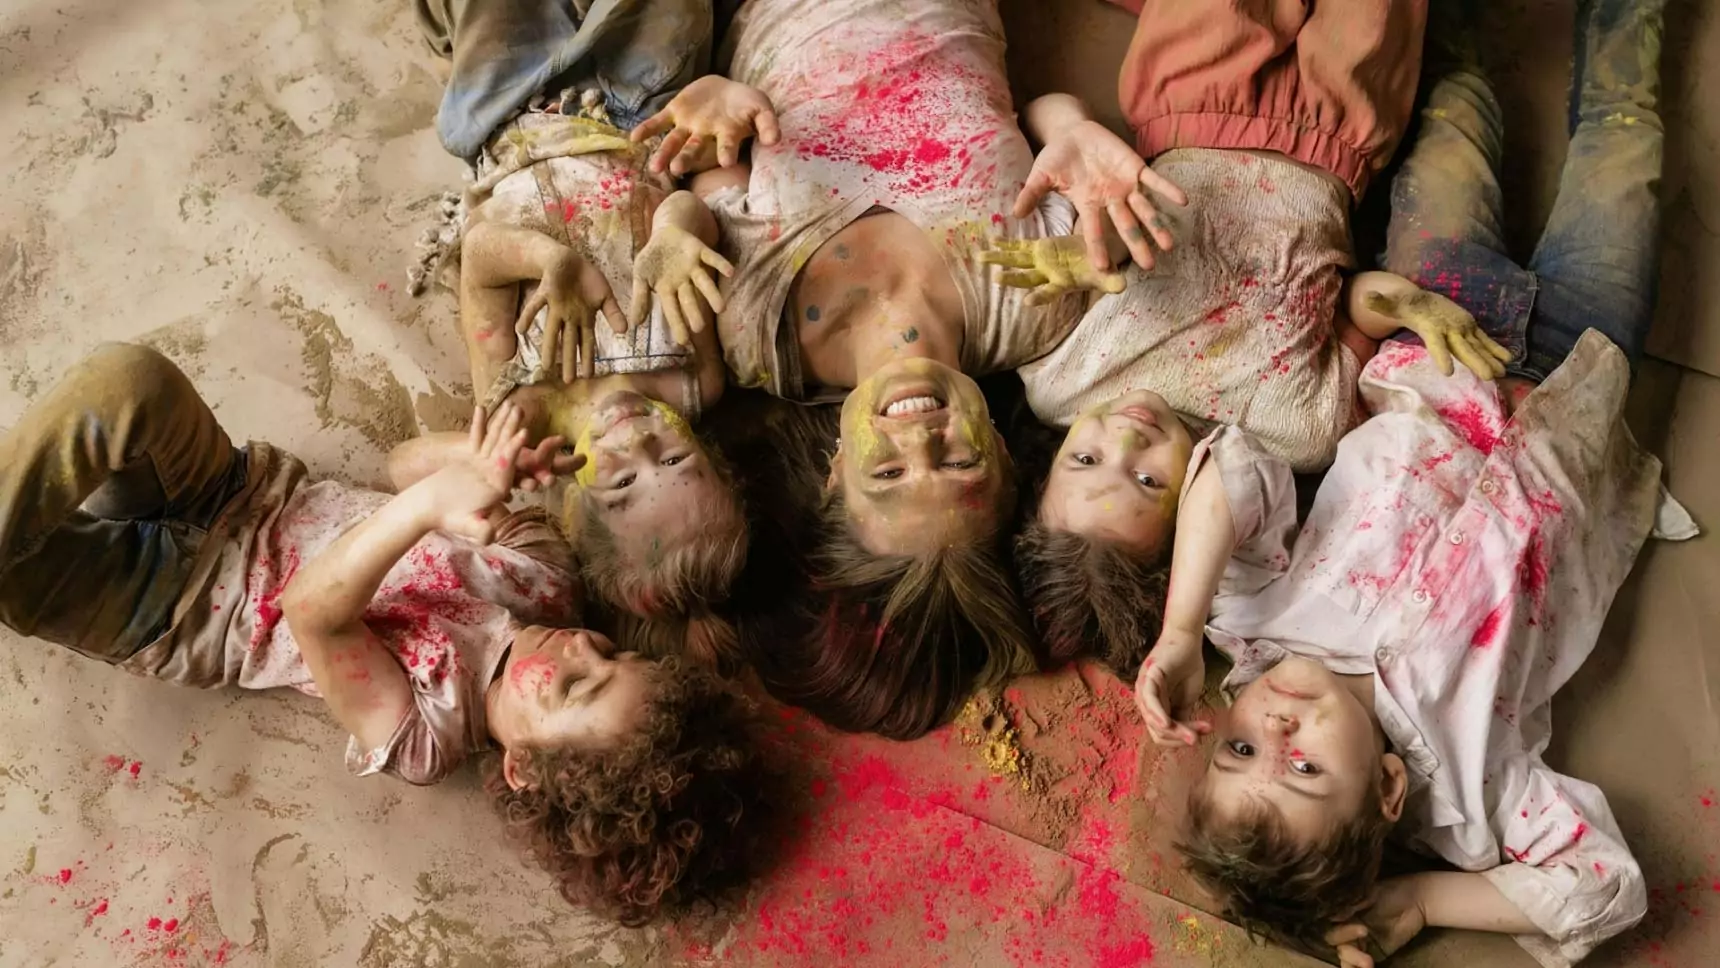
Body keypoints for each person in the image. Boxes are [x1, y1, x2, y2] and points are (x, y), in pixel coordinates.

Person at [1134, 3, 1696, 963]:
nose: (1278, 728)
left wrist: (1181, 629)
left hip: (1435, 317)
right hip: (1575, 380)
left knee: (1455, 110)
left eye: (1241, 748)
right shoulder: (1476, 788)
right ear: (1390, 791)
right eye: (1304, 769)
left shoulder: (1258, 619)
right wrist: (1430, 898)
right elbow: (1604, 885)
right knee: (1625, 140)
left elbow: (1233, 460)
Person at [0, 345, 769, 925]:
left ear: (524, 769)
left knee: (19, 577)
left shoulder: (424, 735)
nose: (575, 647)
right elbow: (400, 465)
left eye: (573, 686)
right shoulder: (545, 580)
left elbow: (311, 611)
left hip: (180, 608)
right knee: (131, 380)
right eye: (611, 652)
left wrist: (430, 508)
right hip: (238, 489)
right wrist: (483, 468)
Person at [632, 0, 1131, 737]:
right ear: (1003, 454)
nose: (920, 437)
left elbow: (711, 167)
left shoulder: (752, 332)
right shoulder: (1036, 302)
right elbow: (1042, 115)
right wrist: (1075, 131)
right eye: (957, 462)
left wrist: (675, 205)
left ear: (834, 474)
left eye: (890, 473)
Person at [1005, 0, 1519, 670]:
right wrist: (1410, 304)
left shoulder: (1060, 382)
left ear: (1049, 461)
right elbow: (1353, 308)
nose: (1124, 439)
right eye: (1148, 480)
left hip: (1190, 94)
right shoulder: (1295, 431)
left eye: (1084, 459)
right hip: (1342, 126)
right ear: (1192, 528)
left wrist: (1080, 247)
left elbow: (1050, 117)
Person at [402, 0, 750, 665]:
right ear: (714, 458)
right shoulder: (695, 379)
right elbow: (688, 208)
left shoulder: (524, 414)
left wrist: (548, 261)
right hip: (639, 113)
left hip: (509, 120)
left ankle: (461, 48)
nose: (638, 442)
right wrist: (675, 232)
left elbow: (478, 259)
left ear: (576, 511)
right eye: (675, 461)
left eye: (621, 484)